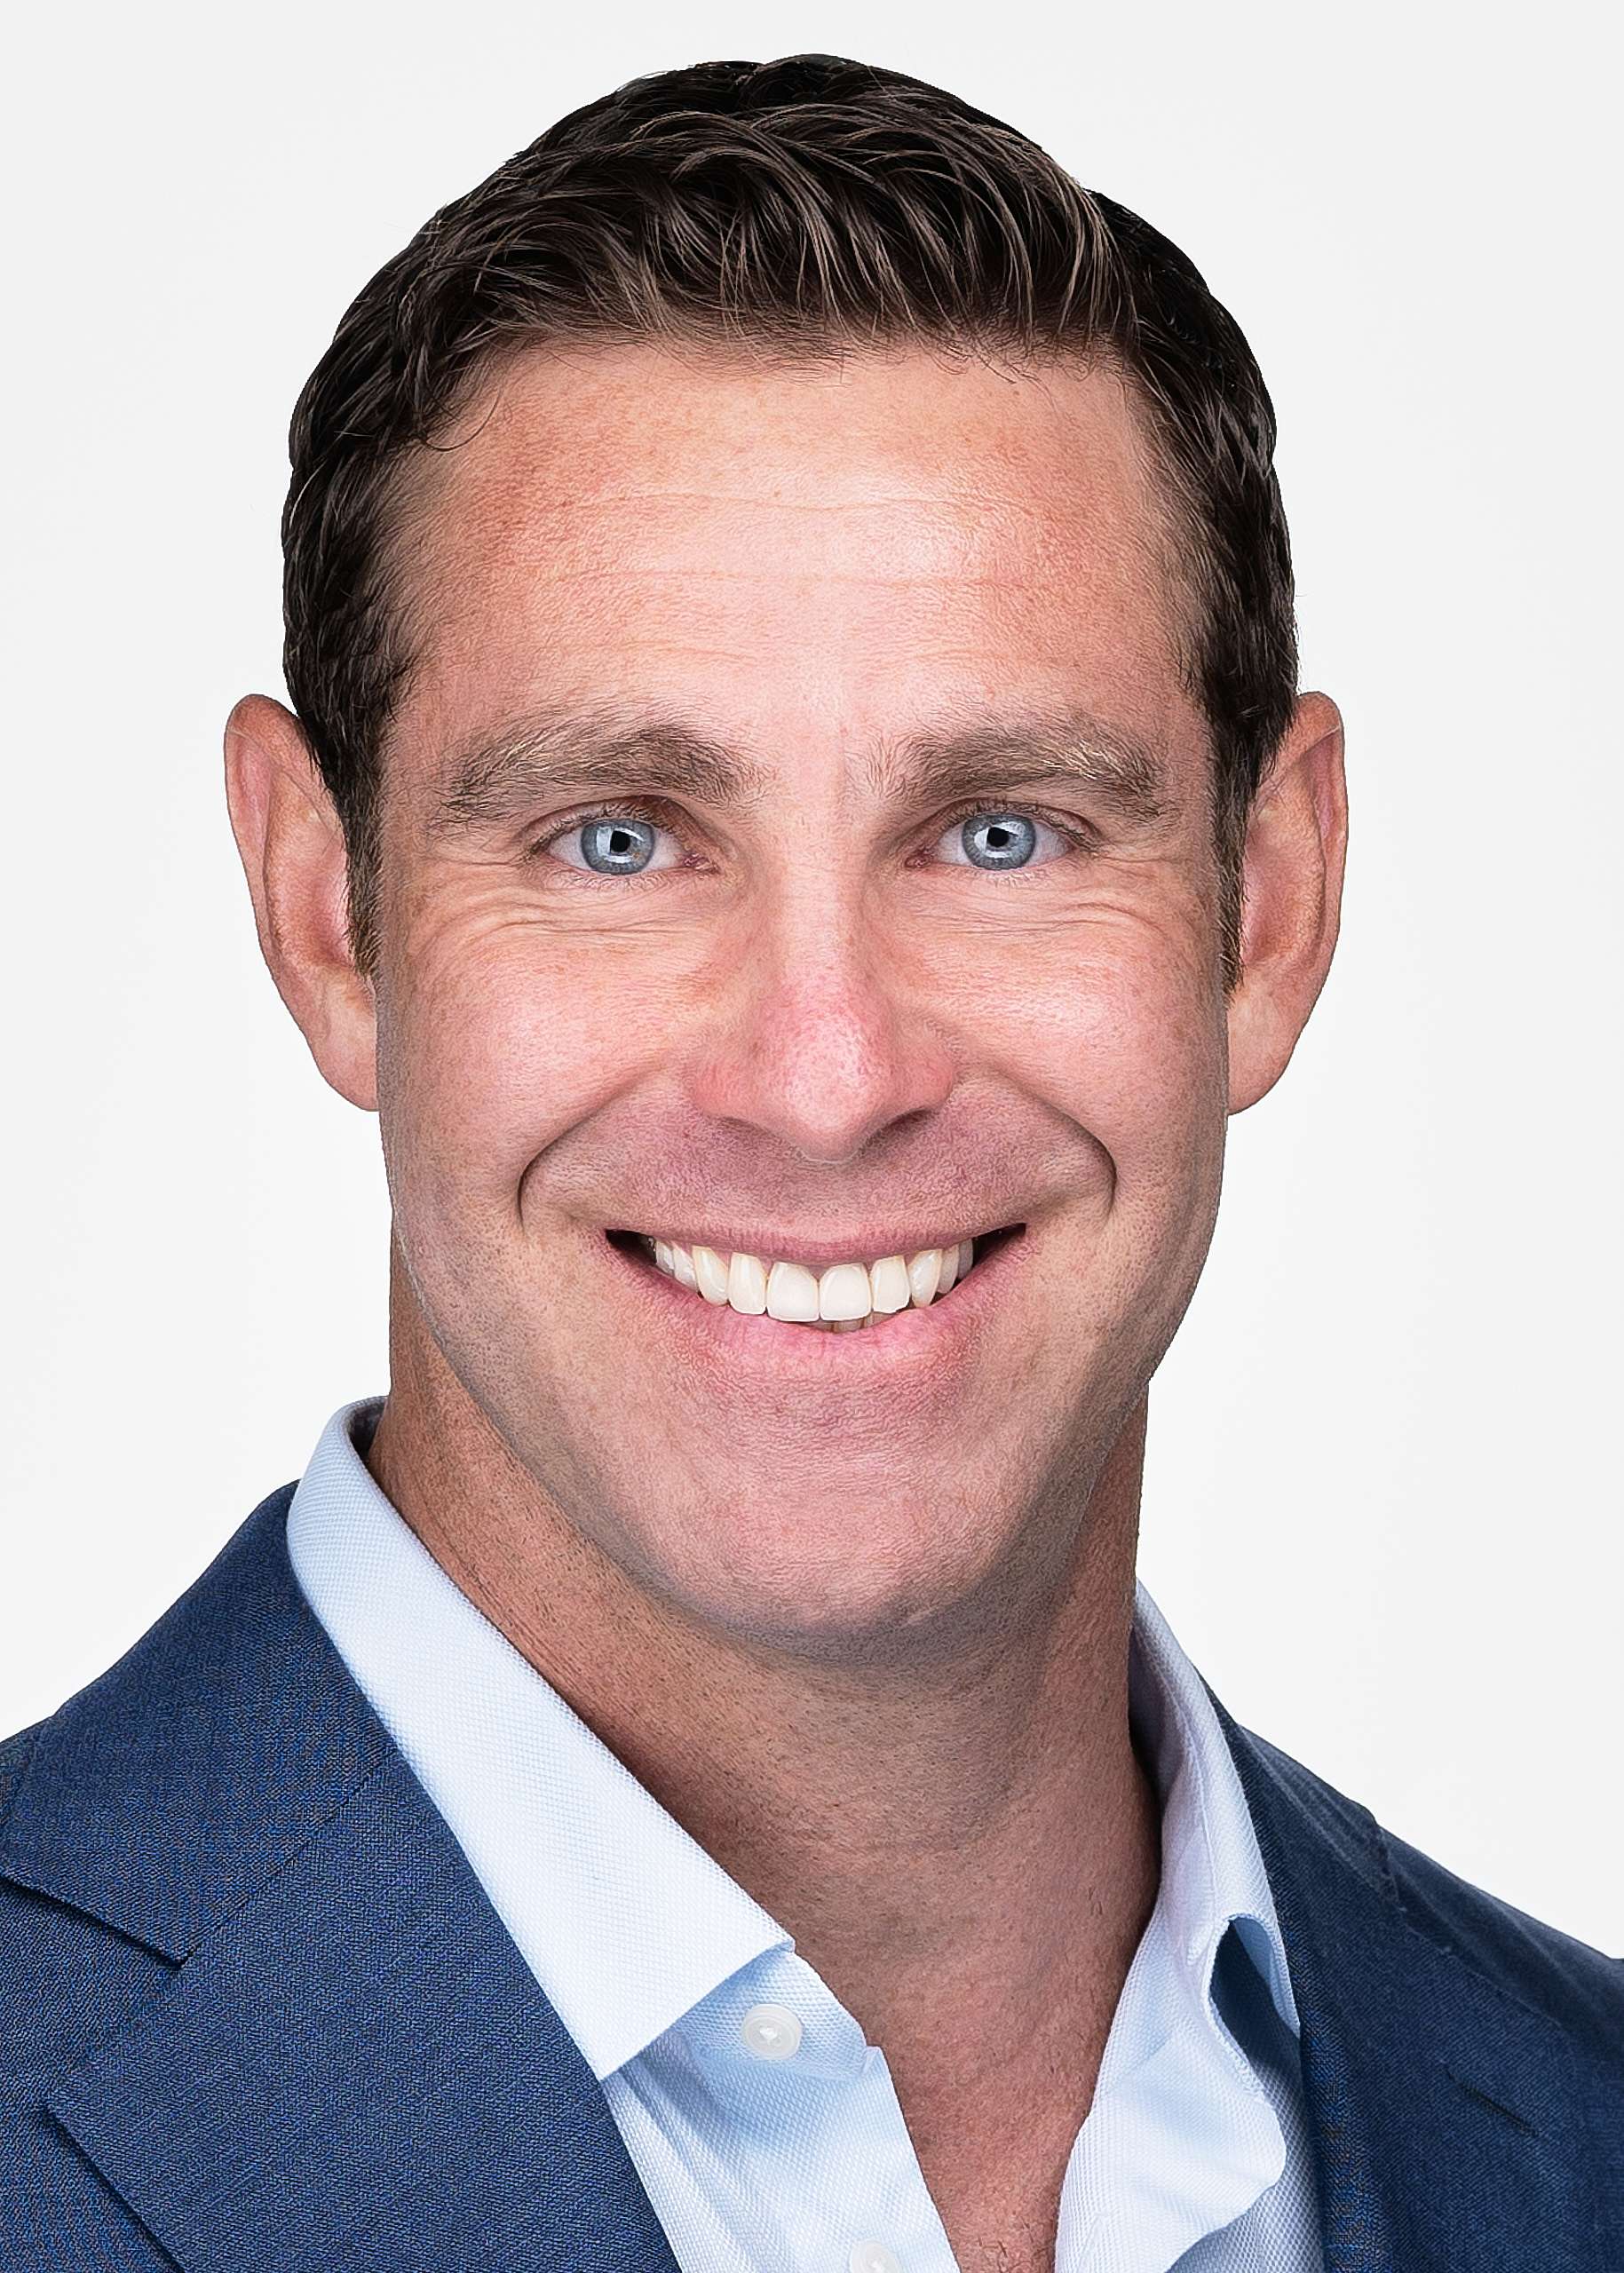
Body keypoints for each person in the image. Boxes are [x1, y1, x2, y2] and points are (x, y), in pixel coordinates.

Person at [2, 51, 1618, 2273]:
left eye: (1002, 829)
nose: (827, 1068)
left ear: (1268, 901)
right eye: (618, 835)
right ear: (323, 905)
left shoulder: (1580, 2124)